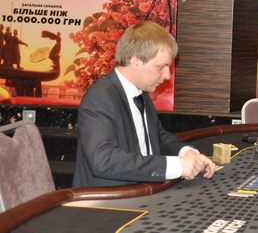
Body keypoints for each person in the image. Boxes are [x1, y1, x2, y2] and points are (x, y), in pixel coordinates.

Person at [73, 21, 215, 188]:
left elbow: (157, 137)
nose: (167, 75)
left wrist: (188, 153)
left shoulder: (141, 92)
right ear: (135, 61)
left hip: (140, 193)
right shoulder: (100, 96)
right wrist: (177, 166)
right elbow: (103, 160)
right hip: (108, 199)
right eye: (161, 67)